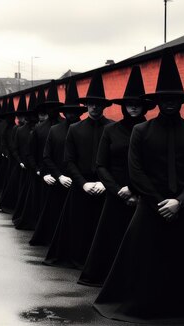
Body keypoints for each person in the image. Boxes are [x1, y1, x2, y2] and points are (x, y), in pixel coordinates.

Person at [94, 51, 184, 323]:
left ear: (182, 101)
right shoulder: (141, 132)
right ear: (157, 102)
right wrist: (160, 202)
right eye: (164, 99)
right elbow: (135, 171)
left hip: (182, 207)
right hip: (150, 207)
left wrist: (179, 202)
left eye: (174, 98)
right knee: (145, 261)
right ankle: (145, 304)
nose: (170, 103)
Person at [79, 66, 152, 286]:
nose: (133, 107)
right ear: (123, 106)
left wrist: (134, 189)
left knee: (142, 241)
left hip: (144, 194)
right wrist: (119, 189)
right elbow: (101, 165)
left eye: (137, 104)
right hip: (116, 193)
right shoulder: (111, 131)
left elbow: (153, 165)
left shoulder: (151, 130)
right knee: (112, 239)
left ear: (143, 106)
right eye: (129, 103)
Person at [44, 73, 113, 269]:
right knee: (79, 227)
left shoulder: (112, 128)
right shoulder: (75, 129)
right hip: (81, 184)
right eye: (91, 103)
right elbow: (69, 161)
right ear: (87, 105)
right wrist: (83, 183)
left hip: (103, 185)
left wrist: (103, 182)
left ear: (104, 106)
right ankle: (78, 260)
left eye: (98, 104)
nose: (95, 107)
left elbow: (115, 162)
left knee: (102, 228)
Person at [30, 80, 86, 246]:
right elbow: (45, 156)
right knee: (55, 212)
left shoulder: (82, 129)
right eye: (68, 111)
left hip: (78, 178)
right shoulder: (51, 130)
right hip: (58, 177)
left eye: (74, 112)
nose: (71, 115)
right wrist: (50, 174)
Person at [14, 84, 63, 230]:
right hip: (42, 172)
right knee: (41, 203)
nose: (52, 110)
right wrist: (37, 170)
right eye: (49, 107)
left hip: (61, 172)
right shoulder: (39, 128)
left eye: (55, 107)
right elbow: (31, 152)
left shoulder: (66, 127)